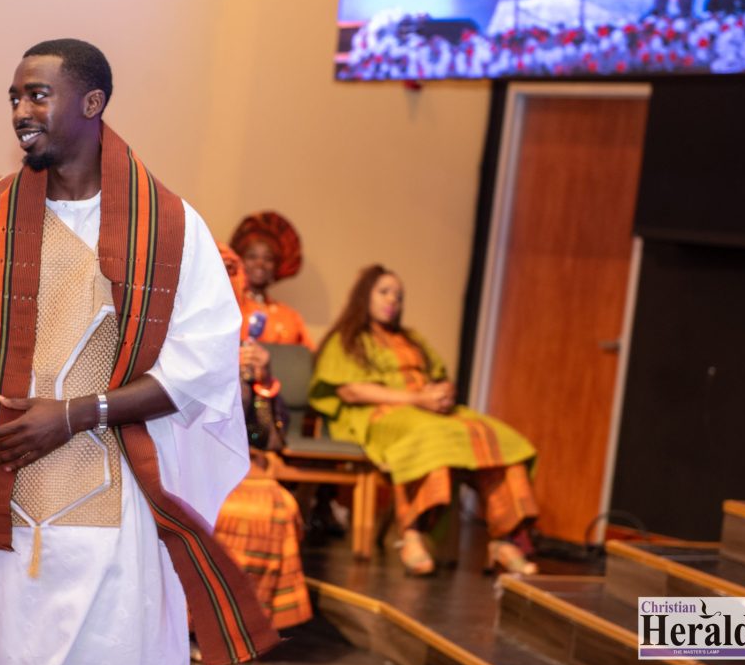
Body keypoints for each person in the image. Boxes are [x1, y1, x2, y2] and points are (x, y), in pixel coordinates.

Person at [0, 39, 277, 665]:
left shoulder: (171, 228)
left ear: (92, 102)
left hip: (105, 497)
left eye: (38, 95)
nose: (20, 112)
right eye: (14, 98)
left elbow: (198, 369)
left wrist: (76, 414)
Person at [308, 265, 539, 576]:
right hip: (379, 413)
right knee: (431, 438)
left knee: (498, 438)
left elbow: (439, 375)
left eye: (399, 296)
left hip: (428, 411)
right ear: (365, 296)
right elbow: (351, 391)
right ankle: (413, 534)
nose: (393, 300)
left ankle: (505, 539)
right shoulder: (347, 340)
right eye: (384, 292)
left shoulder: (412, 339)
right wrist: (416, 399)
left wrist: (443, 393)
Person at [211, 243, 312, 633]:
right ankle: (202, 622)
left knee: (276, 505)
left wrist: (263, 382)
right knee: (229, 510)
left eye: (231, 272)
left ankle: (247, 624)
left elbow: (267, 438)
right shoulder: (173, 333)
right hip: (187, 462)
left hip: (240, 463)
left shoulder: (247, 349)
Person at [230, 211, 314, 348]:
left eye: (268, 259)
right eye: (252, 257)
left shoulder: (290, 317)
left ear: (276, 265)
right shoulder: (230, 308)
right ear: (240, 260)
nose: (260, 264)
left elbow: (304, 357)